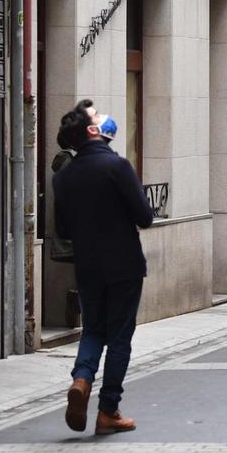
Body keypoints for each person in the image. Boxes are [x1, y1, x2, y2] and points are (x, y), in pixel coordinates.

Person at [55, 103, 155, 435]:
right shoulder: (117, 166)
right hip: (124, 264)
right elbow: (144, 216)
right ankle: (108, 410)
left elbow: (64, 230)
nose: (102, 117)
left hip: (88, 266)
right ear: (92, 131)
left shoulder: (64, 176)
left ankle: (82, 379)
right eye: (96, 117)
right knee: (120, 337)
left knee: (94, 329)